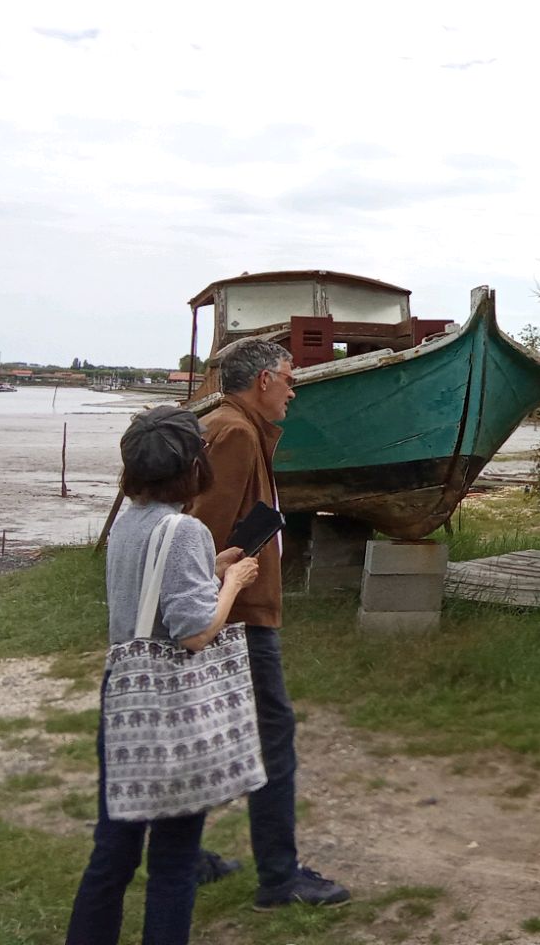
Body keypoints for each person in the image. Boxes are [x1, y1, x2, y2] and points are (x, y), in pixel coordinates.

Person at [66, 407, 261, 945]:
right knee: (174, 862)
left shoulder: (129, 522)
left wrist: (209, 569)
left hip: (124, 697)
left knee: (113, 850)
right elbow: (194, 633)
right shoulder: (184, 530)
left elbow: (149, 592)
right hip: (170, 708)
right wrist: (233, 583)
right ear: (193, 466)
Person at [185, 338, 349, 909]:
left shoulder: (234, 427)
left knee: (208, 731)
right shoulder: (234, 433)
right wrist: (220, 597)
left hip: (230, 612)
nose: (292, 390)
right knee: (272, 734)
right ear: (262, 381)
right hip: (238, 616)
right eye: (288, 378)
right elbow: (200, 539)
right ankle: (279, 879)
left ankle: (184, 859)